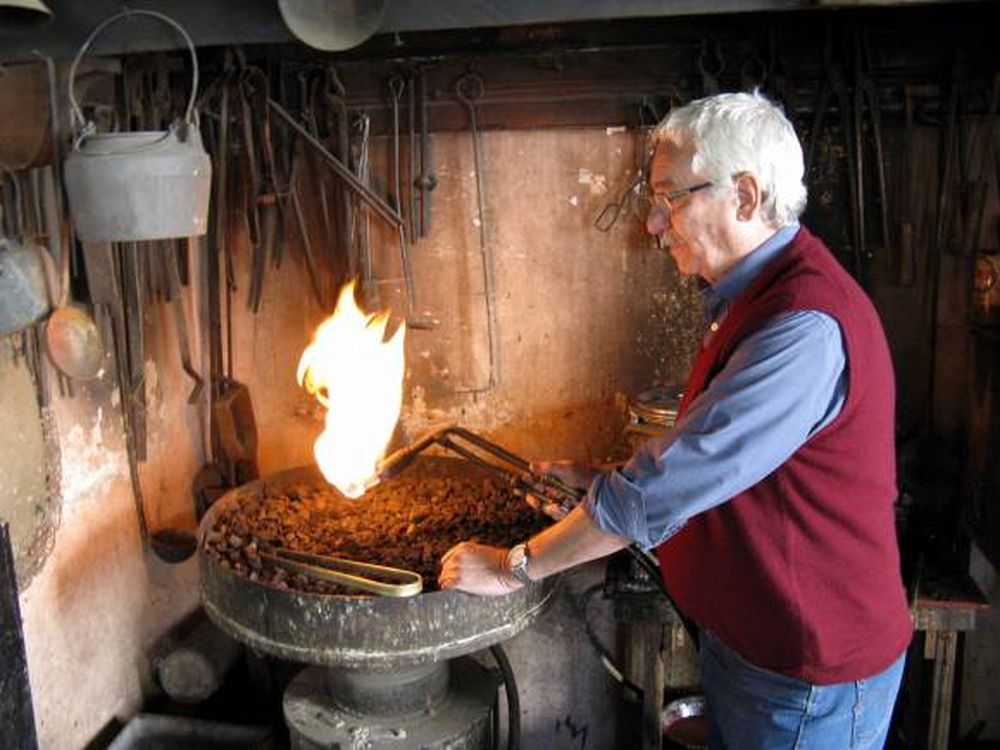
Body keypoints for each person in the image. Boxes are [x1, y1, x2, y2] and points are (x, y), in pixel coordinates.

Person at [438, 91, 912, 750]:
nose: (656, 226)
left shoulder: (802, 326)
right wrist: (598, 477)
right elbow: (724, 465)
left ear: (745, 196)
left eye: (671, 199)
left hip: (805, 673)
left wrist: (514, 566)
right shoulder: (751, 297)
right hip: (755, 644)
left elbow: (660, 490)